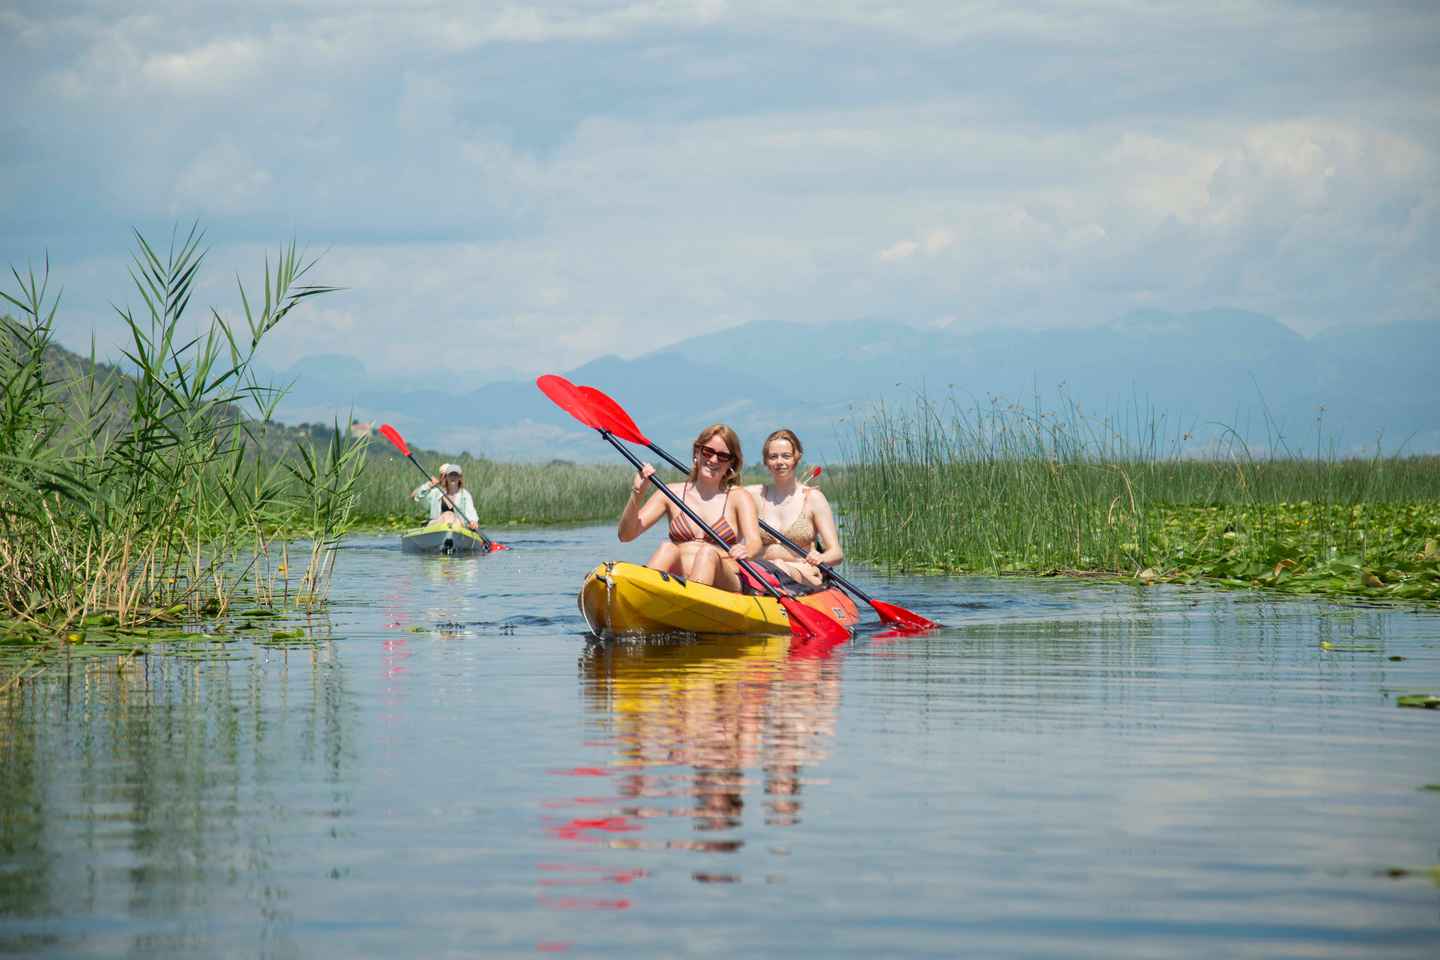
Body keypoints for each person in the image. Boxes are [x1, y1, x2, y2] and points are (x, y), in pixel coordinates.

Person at [618, 425, 760, 592]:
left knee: (707, 553)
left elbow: (754, 542)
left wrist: (746, 550)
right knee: (667, 548)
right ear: (697, 453)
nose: (713, 460)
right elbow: (625, 535)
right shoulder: (670, 493)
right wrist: (637, 493)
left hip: (725, 577)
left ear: (731, 463)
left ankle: (690, 600)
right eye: (708, 452)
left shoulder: (739, 496)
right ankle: (641, 594)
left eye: (722, 456)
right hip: (681, 574)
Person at [744, 429, 842, 588]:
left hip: (802, 572)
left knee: (780, 566)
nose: (779, 462)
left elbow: (836, 553)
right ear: (766, 461)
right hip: (761, 572)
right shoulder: (753, 494)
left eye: (786, 456)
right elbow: (722, 492)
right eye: (773, 457)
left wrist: (821, 558)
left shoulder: (813, 498)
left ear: (797, 458)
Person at [411, 462, 479, 530]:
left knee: (450, 516)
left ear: (460, 478)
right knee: (447, 516)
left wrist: (473, 522)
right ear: (446, 477)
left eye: (456, 475)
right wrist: (428, 485)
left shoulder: (465, 495)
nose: (453, 477)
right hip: (437, 525)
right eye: (450, 475)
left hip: (458, 526)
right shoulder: (436, 492)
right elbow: (414, 496)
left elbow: (471, 514)